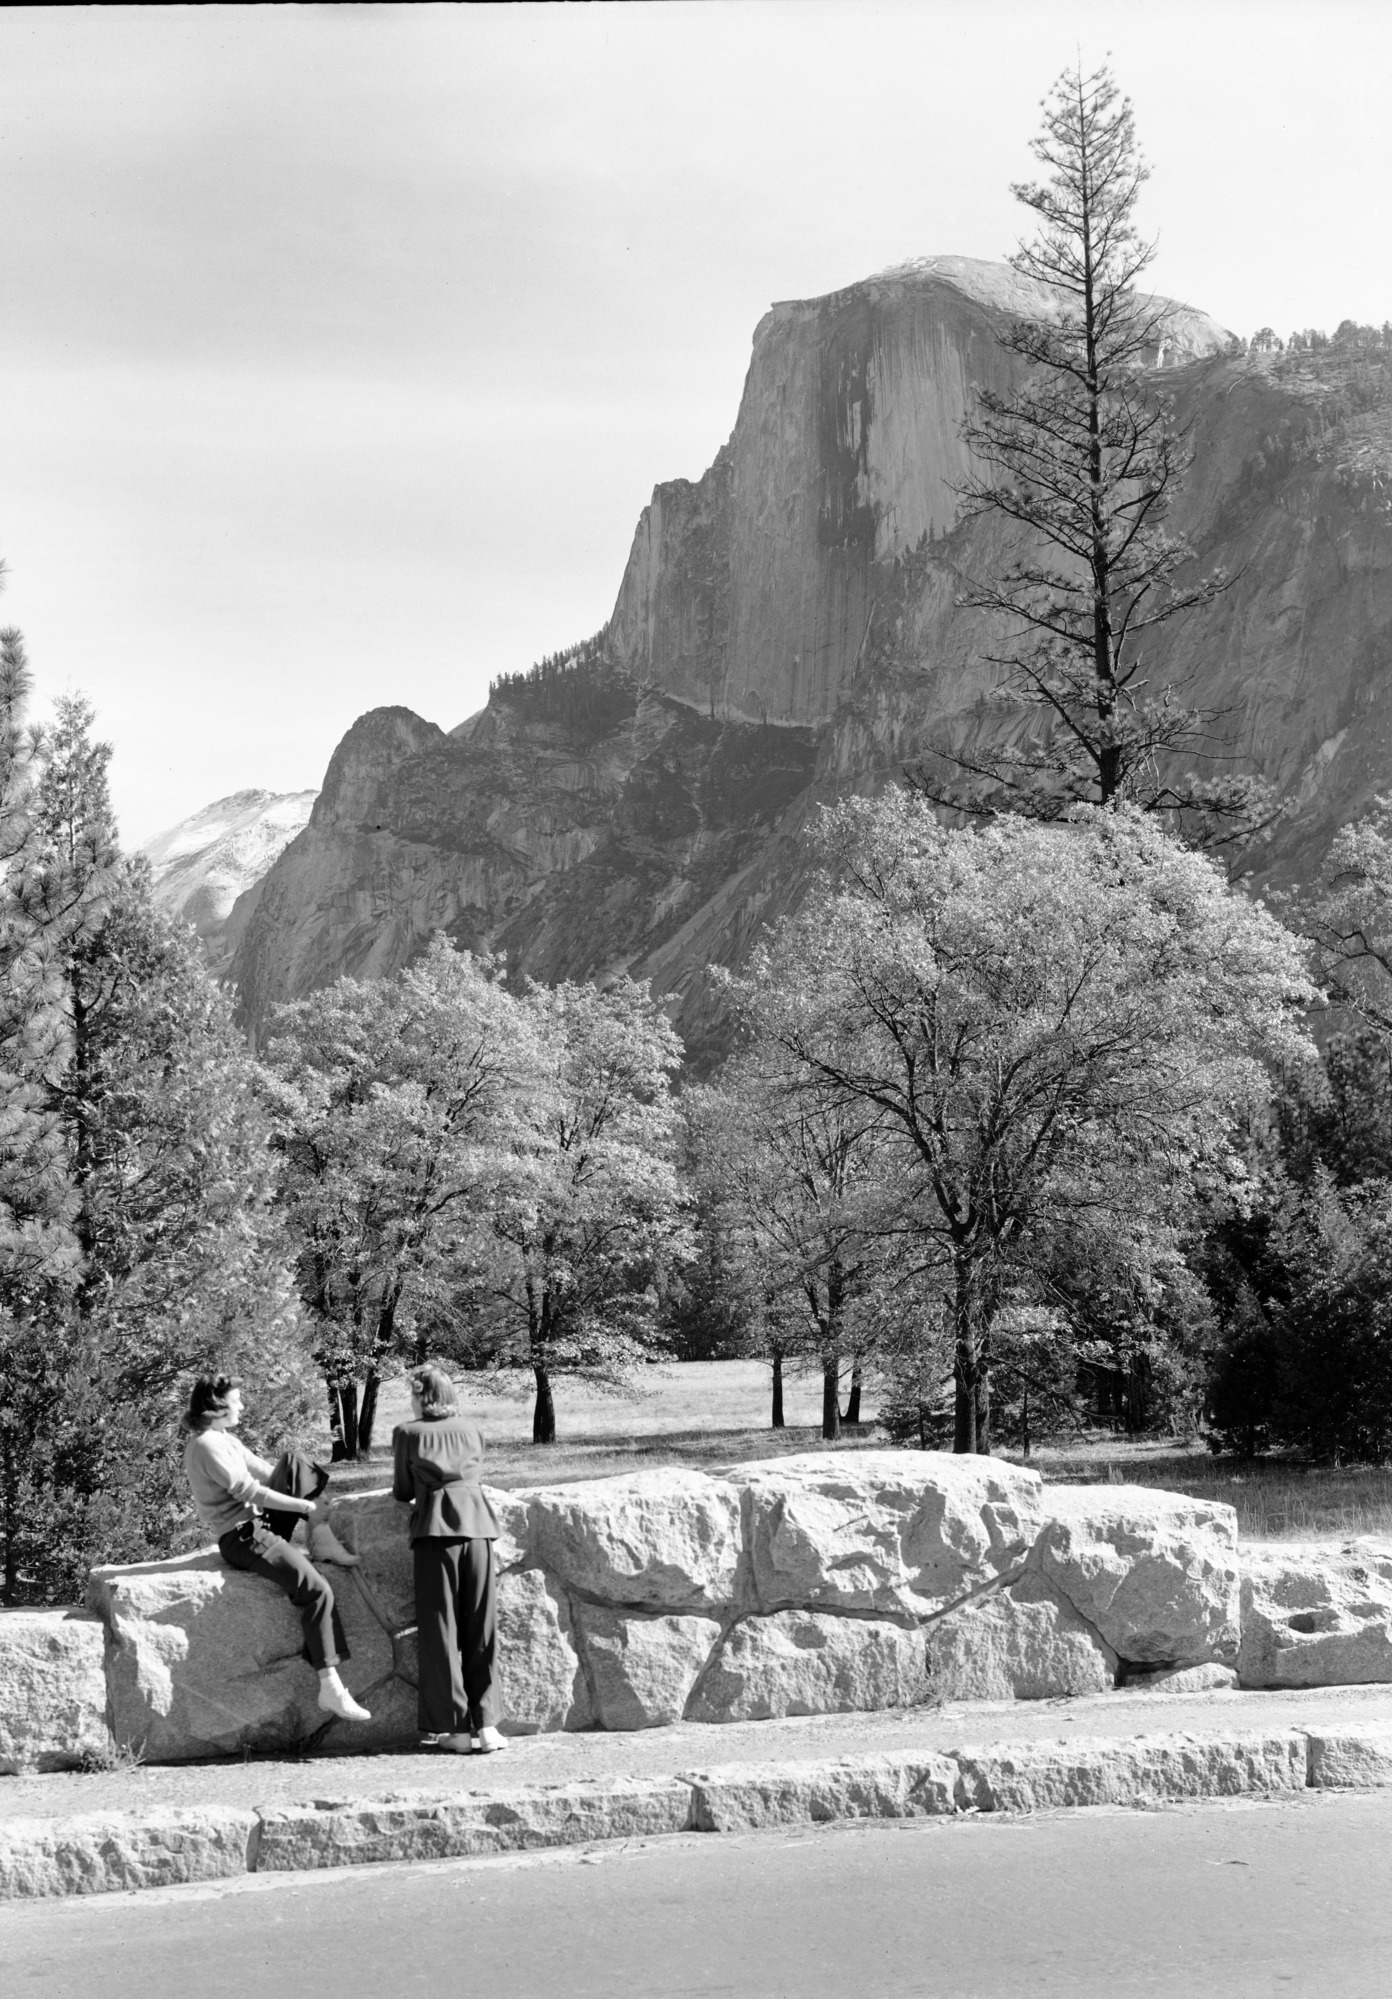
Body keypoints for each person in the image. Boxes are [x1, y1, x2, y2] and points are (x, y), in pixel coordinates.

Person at [182, 1373, 372, 1724]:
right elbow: (249, 1491)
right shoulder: (206, 1445)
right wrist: (303, 1507)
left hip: (260, 1527)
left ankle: (321, 1536)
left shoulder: (226, 1439)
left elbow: (269, 1473)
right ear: (217, 1405)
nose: (242, 1405)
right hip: (243, 1536)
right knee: (316, 1589)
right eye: (236, 1400)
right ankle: (330, 1687)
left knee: (295, 1460)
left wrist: (312, 1497)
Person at [393, 1364, 506, 1754]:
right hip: (477, 1527)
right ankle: (487, 1725)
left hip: (434, 1531)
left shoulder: (408, 1433)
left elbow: (402, 1490)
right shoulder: (472, 1429)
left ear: (422, 1397)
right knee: (482, 1627)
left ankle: (454, 1730)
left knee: (441, 1631)